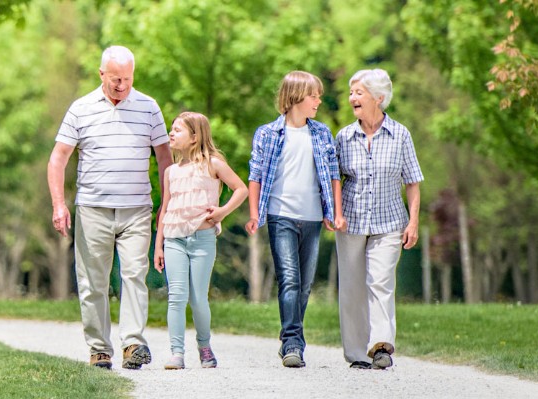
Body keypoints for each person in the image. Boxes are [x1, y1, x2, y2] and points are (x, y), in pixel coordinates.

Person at [48, 45, 172, 370]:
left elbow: (164, 159)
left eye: (127, 79)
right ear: (101, 74)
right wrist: (59, 204)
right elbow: (58, 158)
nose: (121, 86)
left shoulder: (148, 107)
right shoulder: (80, 109)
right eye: (115, 79)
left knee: (134, 275)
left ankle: (133, 344)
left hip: (136, 209)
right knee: (93, 282)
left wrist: (166, 205)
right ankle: (99, 349)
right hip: (93, 208)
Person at [246, 70, 343, 368]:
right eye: (314, 95)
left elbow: (333, 175)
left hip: (312, 217)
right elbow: (256, 176)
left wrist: (336, 212)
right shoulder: (268, 133)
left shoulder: (321, 132)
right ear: (296, 97)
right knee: (289, 280)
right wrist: (254, 214)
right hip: (281, 216)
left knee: (304, 285)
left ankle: (291, 335)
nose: (318, 100)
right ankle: (292, 342)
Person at [334, 69, 423, 370]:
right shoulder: (344, 137)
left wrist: (413, 222)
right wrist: (333, 212)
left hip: (389, 224)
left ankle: (381, 347)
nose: (352, 98)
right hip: (352, 223)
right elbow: (335, 180)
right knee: (352, 288)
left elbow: (412, 181)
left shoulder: (400, 135)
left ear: (379, 98)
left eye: (359, 92)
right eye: (351, 93)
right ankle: (358, 353)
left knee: (381, 281)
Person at [152, 112, 247, 369]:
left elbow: (241, 189)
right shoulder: (170, 172)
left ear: (195, 137)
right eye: (171, 129)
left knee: (198, 298)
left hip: (203, 238)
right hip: (173, 239)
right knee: (176, 296)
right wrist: (158, 245)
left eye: (178, 130)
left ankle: (204, 347)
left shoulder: (213, 164)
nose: (171, 134)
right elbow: (165, 208)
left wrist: (221, 212)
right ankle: (176, 353)